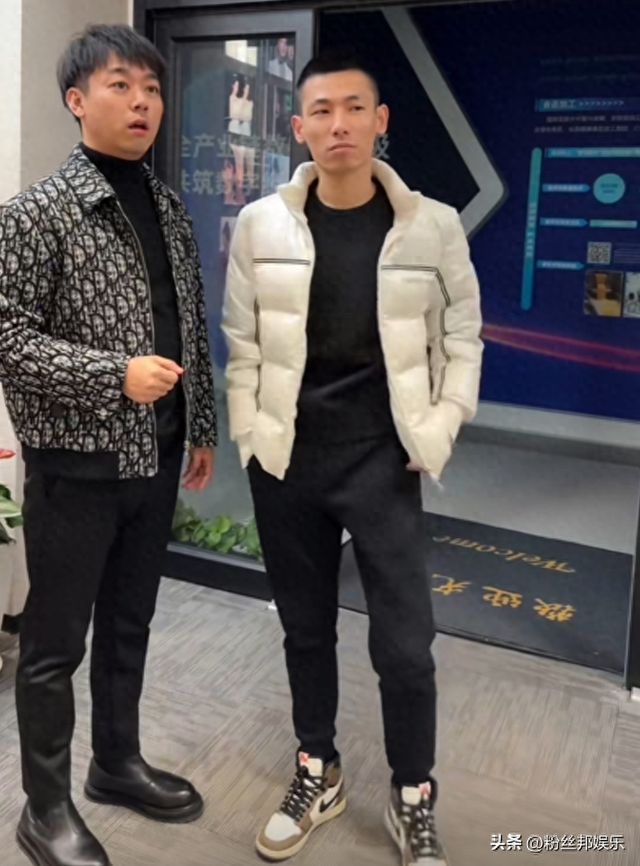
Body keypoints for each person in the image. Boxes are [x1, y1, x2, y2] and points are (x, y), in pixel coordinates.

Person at [223, 51, 482, 865]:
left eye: (354, 108)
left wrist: (440, 425)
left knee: (404, 646)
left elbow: (463, 336)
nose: (339, 124)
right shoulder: (261, 224)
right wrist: (250, 433)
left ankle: (413, 793)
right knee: (306, 630)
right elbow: (241, 340)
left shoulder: (432, 224)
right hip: (288, 461)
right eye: (322, 111)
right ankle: (318, 767)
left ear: (380, 121)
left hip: (382, 461)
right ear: (299, 128)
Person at [0, 24, 216, 866]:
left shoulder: (168, 207)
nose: (141, 103)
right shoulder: (35, 215)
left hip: (154, 459)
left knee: (130, 624)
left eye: (151, 88)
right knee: (55, 645)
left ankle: (116, 764)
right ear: (76, 100)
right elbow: (8, 339)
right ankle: (44, 809)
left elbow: (187, 322)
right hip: (75, 468)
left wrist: (199, 425)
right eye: (120, 85)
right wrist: (112, 376)